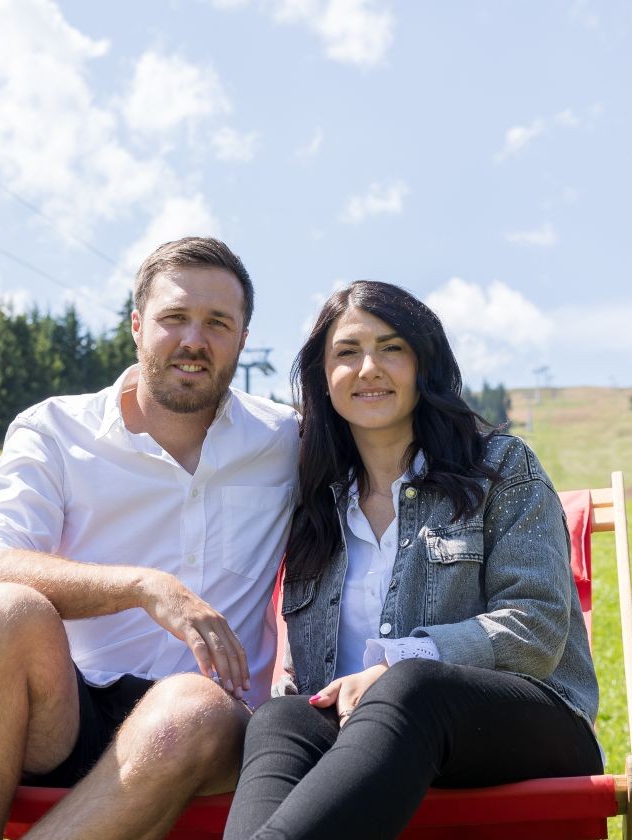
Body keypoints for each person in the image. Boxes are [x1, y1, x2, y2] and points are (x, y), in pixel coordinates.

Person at [0, 237, 299, 840]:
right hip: (62, 718)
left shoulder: (286, 441)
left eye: (217, 323)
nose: (193, 341)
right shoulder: (55, 430)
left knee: (193, 707)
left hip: (206, 731)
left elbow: (391, 456)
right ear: (136, 326)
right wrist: (141, 587)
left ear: (242, 339)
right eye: (174, 318)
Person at [223, 281, 603, 840]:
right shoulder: (313, 504)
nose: (368, 367)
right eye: (347, 352)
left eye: (392, 348)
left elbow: (537, 629)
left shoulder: (498, 467)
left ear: (424, 365)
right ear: (323, 381)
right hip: (367, 744)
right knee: (283, 718)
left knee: (409, 686)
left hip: (524, 727)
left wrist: (392, 664)